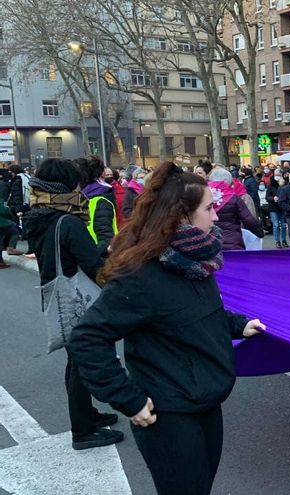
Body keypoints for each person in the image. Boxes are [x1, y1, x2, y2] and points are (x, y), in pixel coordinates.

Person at [67, 162, 265, 494]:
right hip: (168, 414)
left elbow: (195, 313)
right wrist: (127, 399)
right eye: (208, 208)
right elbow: (87, 339)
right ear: (182, 216)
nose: (216, 217)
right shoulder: (142, 275)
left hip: (205, 402)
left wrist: (238, 325)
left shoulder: (198, 262)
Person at [21, 158, 123, 450]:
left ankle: (87, 414)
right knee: (82, 363)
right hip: (77, 298)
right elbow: (93, 264)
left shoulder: (39, 214)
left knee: (74, 361)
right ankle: (82, 430)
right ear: (66, 185)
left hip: (57, 293)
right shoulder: (67, 221)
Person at [207, 167, 264, 250]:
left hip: (209, 242)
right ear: (229, 182)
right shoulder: (233, 198)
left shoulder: (202, 196)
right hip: (233, 242)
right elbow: (248, 219)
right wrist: (260, 233)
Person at [76, 157, 118, 255]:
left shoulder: (101, 202)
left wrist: (87, 254)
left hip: (97, 261)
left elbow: (107, 240)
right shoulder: (82, 198)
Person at [266, 172, 287, 248]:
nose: (277, 177)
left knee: (284, 225)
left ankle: (284, 240)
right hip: (273, 207)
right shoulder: (270, 185)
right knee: (276, 225)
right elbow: (267, 197)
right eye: (276, 175)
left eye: (279, 175)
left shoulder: (284, 184)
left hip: (282, 207)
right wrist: (273, 198)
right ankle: (277, 241)